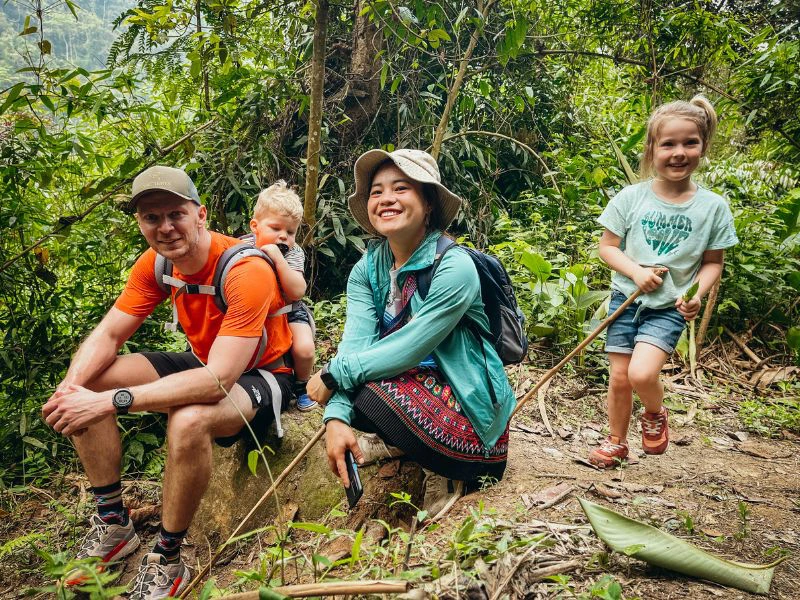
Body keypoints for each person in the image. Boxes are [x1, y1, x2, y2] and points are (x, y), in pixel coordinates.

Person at [42, 166, 293, 599]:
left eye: (176, 213)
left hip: (263, 373)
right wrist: (71, 390)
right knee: (89, 381)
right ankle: (113, 523)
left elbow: (218, 379)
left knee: (188, 420)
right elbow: (109, 334)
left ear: (201, 215)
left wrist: (112, 402)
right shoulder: (156, 264)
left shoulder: (244, 269)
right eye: (152, 218)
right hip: (202, 358)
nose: (166, 227)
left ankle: (168, 555)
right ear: (141, 224)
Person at [305, 149, 516, 521]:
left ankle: (450, 473)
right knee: (355, 388)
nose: (386, 199)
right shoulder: (368, 268)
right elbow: (356, 344)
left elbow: (410, 346)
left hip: (472, 417)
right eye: (376, 191)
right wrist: (335, 418)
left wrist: (333, 376)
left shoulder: (454, 266)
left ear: (428, 202)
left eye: (401, 188)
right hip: (412, 387)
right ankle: (404, 446)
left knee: (363, 389)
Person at [588, 96, 739, 468]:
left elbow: (712, 264)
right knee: (620, 377)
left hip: (669, 307)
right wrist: (636, 271)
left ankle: (654, 412)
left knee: (642, 373)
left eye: (690, 142)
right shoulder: (631, 198)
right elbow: (607, 248)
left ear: (703, 146)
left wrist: (695, 295)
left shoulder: (712, 207)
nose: (679, 152)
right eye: (668, 144)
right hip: (626, 299)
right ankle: (616, 441)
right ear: (652, 149)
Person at [250, 181, 318, 411]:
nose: (283, 237)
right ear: (255, 226)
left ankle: (301, 384)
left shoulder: (293, 252)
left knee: (304, 349)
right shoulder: (242, 246)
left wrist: (278, 260)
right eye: (275, 228)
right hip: (254, 309)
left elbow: (297, 290)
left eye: (290, 232)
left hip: (289, 310)